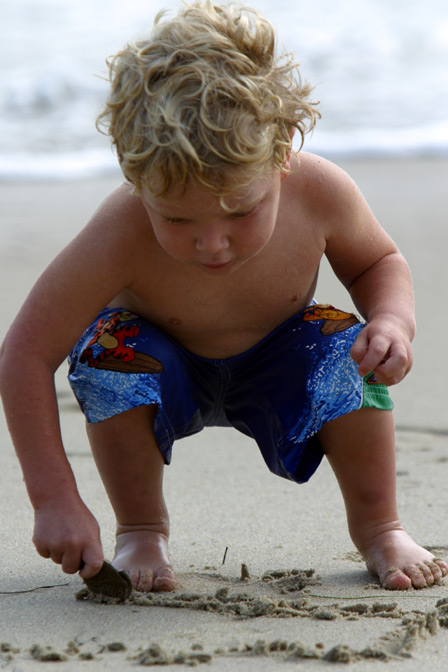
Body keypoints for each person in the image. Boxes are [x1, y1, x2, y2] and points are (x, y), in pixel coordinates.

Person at [0, 1, 446, 595]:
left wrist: (393, 320)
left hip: (280, 356)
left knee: (349, 346)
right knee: (104, 352)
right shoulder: (121, 230)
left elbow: (377, 261)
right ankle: (141, 528)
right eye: (178, 218)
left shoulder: (320, 192)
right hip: (164, 365)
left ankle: (380, 525)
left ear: (283, 151)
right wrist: (54, 496)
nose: (212, 243)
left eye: (241, 210)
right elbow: (25, 354)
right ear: (136, 178)